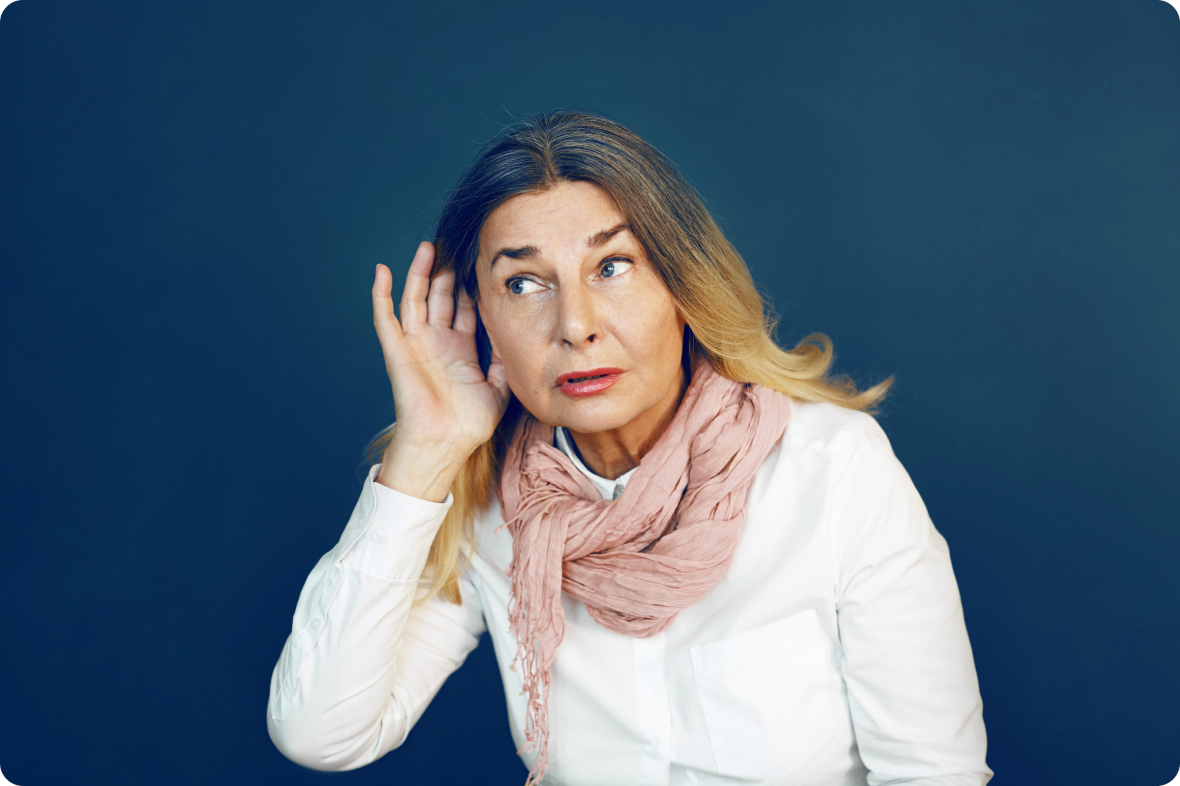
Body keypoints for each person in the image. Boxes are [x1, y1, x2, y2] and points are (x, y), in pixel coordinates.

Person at [265, 111, 992, 786]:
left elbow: (935, 774)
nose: (575, 325)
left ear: (681, 283)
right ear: (480, 317)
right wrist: (427, 449)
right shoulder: (490, 505)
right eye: (523, 283)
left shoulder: (830, 470)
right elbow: (321, 733)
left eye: (612, 267)